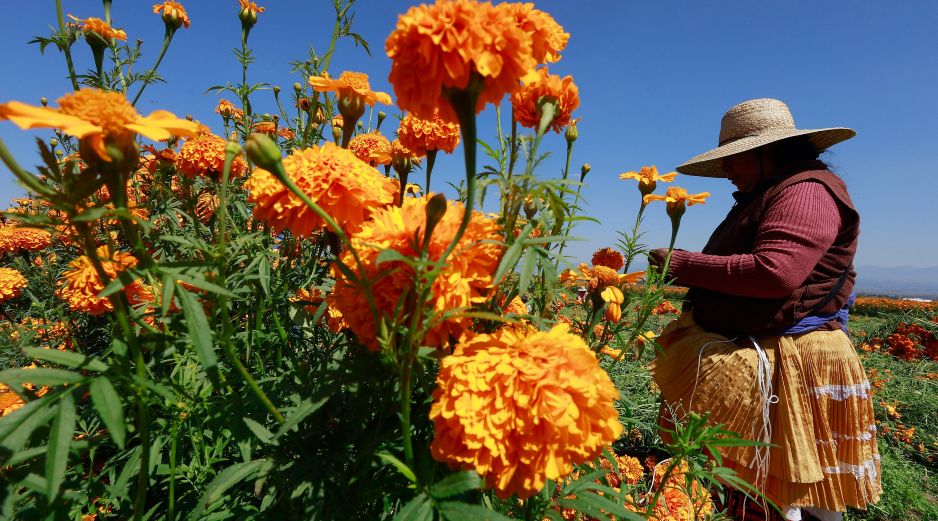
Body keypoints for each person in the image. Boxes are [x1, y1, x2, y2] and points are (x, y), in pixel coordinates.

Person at [647, 98, 880, 521]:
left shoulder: (807, 191)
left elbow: (776, 272)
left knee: (781, 485)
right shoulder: (771, 191)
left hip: (793, 356)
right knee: (782, 485)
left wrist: (680, 264)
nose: (727, 171)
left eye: (733, 159)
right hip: (769, 346)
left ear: (765, 151)